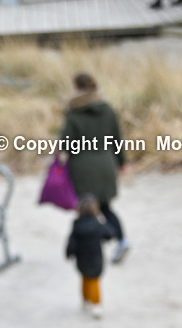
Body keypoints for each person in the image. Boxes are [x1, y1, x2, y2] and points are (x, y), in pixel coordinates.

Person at [59, 72, 129, 263]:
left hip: (82, 166)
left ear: (76, 88)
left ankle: (87, 247)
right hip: (106, 162)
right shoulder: (107, 109)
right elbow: (117, 138)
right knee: (105, 207)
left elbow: (66, 143)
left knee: (86, 208)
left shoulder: (73, 112)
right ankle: (121, 240)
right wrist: (122, 162)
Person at [66, 193, 115, 318]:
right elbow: (110, 233)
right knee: (94, 281)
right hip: (95, 259)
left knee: (85, 279)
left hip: (81, 259)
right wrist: (103, 222)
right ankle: (96, 304)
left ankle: (86, 300)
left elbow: (71, 241)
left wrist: (68, 252)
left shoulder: (76, 225)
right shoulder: (98, 225)